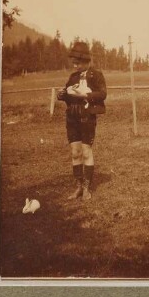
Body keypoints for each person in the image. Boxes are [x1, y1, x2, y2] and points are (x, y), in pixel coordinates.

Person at [57, 41, 107, 200]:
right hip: (72, 118)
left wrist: (85, 95)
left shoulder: (96, 75)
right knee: (75, 152)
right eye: (74, 63)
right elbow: (68, 96)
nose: (75, 66)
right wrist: (62, 95)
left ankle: (87, 188)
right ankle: (78, 187)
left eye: (78, 63)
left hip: (86, 117)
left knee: (86, 152)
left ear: (87, 62)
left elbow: (102, 94)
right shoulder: (72, 77)